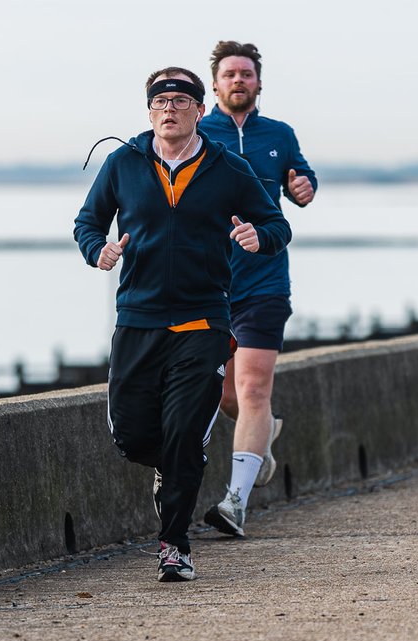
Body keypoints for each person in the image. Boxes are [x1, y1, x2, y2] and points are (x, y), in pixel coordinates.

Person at [74, 67, 292, 582]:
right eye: (159, 102)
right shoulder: (123, 164)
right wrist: (97, 250)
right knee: (130, 436)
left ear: (199, 110)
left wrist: (261, 239)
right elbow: (87, 222)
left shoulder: (227, 167)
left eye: (180, 101)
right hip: (139, 319)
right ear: (150, 112)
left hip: (203, 320)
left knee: (183, 431)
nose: (169, 109)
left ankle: (175, 544)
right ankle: (174, 463)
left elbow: (276, 222)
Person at [198, 41, 318, 537]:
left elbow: (302, 179)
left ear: (259, 83)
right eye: (230, 74)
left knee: (252, 387)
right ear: (216, 84)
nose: (239, 81)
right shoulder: (199, 134)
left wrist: (304, 187)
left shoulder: (278, 134)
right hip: (208, 284)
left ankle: (235, 503)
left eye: (246, 74)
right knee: (225, 394)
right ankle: (264, 435)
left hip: (265, 280)